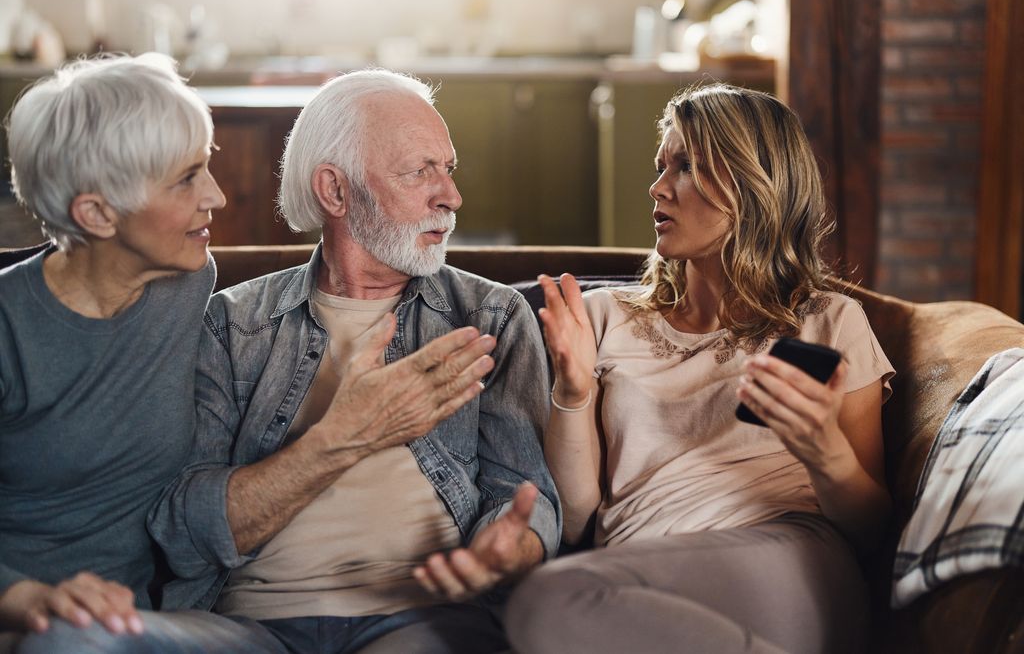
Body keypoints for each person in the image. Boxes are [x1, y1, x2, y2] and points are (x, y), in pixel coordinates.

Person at [45, 68, 555, 654]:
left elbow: (527, 496)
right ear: (335, 191)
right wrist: (344, 437)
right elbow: (182, 530)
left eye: (449, 169)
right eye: (420, 172)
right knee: (69, 642)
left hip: (417, 621)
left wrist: (505, 551)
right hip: (248, 629)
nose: (451, 195)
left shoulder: (490, 317)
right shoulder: (231, 323)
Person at [506, 83, 895, 654]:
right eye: (661, 165)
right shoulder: (601, 317)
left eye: (686, 166)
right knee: (559, 603)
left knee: (547, 600)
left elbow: (874, 531)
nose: (657, 187)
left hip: (787, 563)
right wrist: (573, 389)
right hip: (631, 570)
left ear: (753, 185)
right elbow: (576, 520)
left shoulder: (829, 320)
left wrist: (823, 451)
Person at [0, 53, 223, 641]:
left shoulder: (190, 283)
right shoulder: (6, 328)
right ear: (98, 214)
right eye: (187, 178)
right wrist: (26, 598)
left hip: (141, 627)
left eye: (208, 166)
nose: (217, 197)